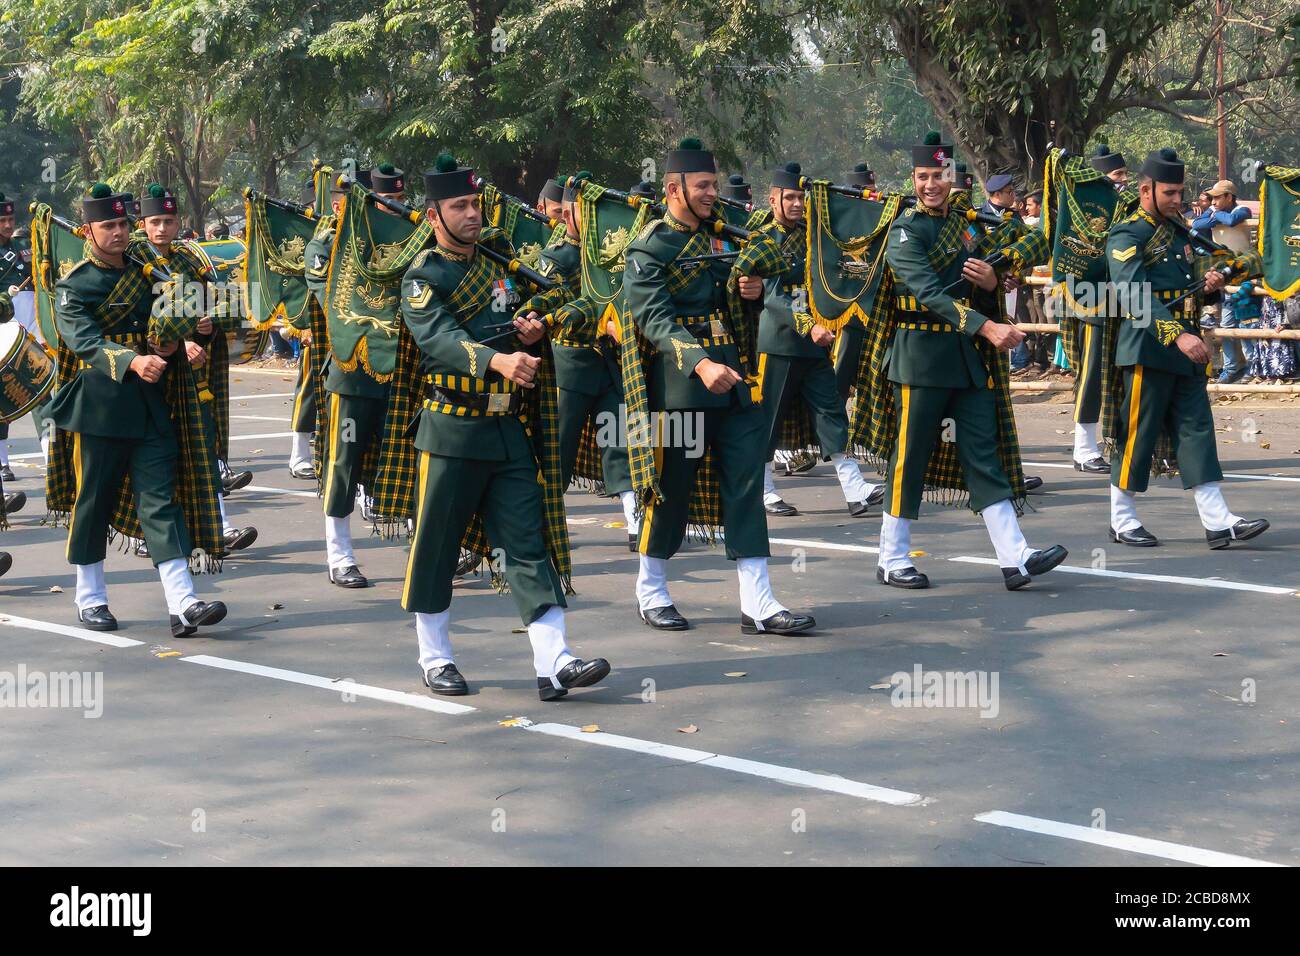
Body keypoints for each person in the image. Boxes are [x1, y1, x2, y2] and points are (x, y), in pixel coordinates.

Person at [397, 152, 610, 700]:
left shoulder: (501, 263)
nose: (472, 213)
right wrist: (498, 361)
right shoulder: (423, 277)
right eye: (459, 206)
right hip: (451, 432)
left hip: (507, 429)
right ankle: (435, 656)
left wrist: (533, 333)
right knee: (437, 548)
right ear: (433, 216)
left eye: (474, 203)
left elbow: (526, 317)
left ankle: (554, 660)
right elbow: (438, 340)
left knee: (527, 543)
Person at [621, 136, 815, 634]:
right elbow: (654, 318)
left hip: (735, 379)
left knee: (747, 488)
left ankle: (759, 603)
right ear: (673, 188)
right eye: (703, 185)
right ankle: (652, 590)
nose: (711, 193)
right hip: (680, 388)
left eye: (712, 183)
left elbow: (747, 292)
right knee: (670, 491)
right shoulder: (649, 247)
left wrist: (749, 293)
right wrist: (700, 363)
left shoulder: (727, 238)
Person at [874, 131, 1066, 591]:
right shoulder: (904, 230)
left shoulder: (970, 223)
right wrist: (987, 325)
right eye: (922, 176)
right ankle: (892, 556)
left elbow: (1036, 242)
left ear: (951, 177)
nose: (930, 185)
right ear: (913, 179)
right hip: (919, 358)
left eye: (938, 175)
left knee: (984, 453)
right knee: (910, 458)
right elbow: (929, 293)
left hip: (963, 358)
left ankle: (1015, 556)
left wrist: (996, 272)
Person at [47, 183, 227, 635]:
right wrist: (131, 360)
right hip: (102, 409)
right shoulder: (74, 285)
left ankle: (183, 602)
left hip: (152, 406)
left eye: (124, 224)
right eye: (108, 225)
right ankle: (90, 598)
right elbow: (83, 340)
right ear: (89, 231)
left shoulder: (150, 274)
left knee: (161, 502)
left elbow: (168, 326)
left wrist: (185, 337)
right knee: (94, 503)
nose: (119, 232)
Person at [1105, 148, 1268, 549]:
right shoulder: (1127, 234)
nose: (1178, 200)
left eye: (1180, 192)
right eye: (1170, 193)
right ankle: (1122, 519)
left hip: (1188, 347)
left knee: (1197, 431)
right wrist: (1176, 334)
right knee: (1138, 435)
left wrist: (1216, 281)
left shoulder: (1183, 232)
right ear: (1146, 190)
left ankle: (1218, 520)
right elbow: (1133, 294)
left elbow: (1240, 262)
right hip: (1149, 347)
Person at [736, 161, 880, 518]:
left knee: (831, 410)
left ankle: (854, 487)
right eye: (790, 198)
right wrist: (809, 325)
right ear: (772, 200)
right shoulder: (763, 239)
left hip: (815, 342)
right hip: (779, 343)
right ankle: (764, 490)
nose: (798, 204)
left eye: (802, 198)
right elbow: (774, 296)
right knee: (768, 419)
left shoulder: (811, 234)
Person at [135, 183, 258, 554]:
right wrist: (181, 341)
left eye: (168, 221)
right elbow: (136, 320)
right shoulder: (132, 262)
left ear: (178, 222)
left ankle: (218, 527)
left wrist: (208, 324)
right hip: (152, 375)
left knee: (203, 451)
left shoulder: (190, 260)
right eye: (155, 221)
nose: (162, 229)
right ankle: (145, 535)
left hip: (194, 378)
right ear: (142, 223)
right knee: (156, 461)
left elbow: (225, 302)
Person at [534, 171, 638, 543]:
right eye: (566, 212)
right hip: (571, 364)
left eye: (574, 212)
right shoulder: (556, 257)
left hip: (608, 364)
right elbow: (558, 302)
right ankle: (543, 518)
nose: (566, 218)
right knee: (558, 448)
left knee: (622, 440)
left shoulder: (609, 257)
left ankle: (635, 519)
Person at [1192, 180, 1254, 384]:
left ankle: (1253, 367)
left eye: (1218, 197)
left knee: (1247, 321)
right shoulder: (1212, 211)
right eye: (1213, 197)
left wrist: (1215, 216)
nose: (1214, 201)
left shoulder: (1242, 208)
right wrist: (1215, 216)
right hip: (1223, 274)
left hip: (1244, 272)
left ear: (1230, 197)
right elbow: (1197, 224)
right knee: (1227, 323)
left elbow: (1233, 219)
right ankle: (1233, 367)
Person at [0, 191, 33, 482]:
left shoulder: (24, 247)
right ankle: (3, 463)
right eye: (3, 220)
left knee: (44, 400)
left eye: (11, 219)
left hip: (28, 335)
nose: (8, 225)